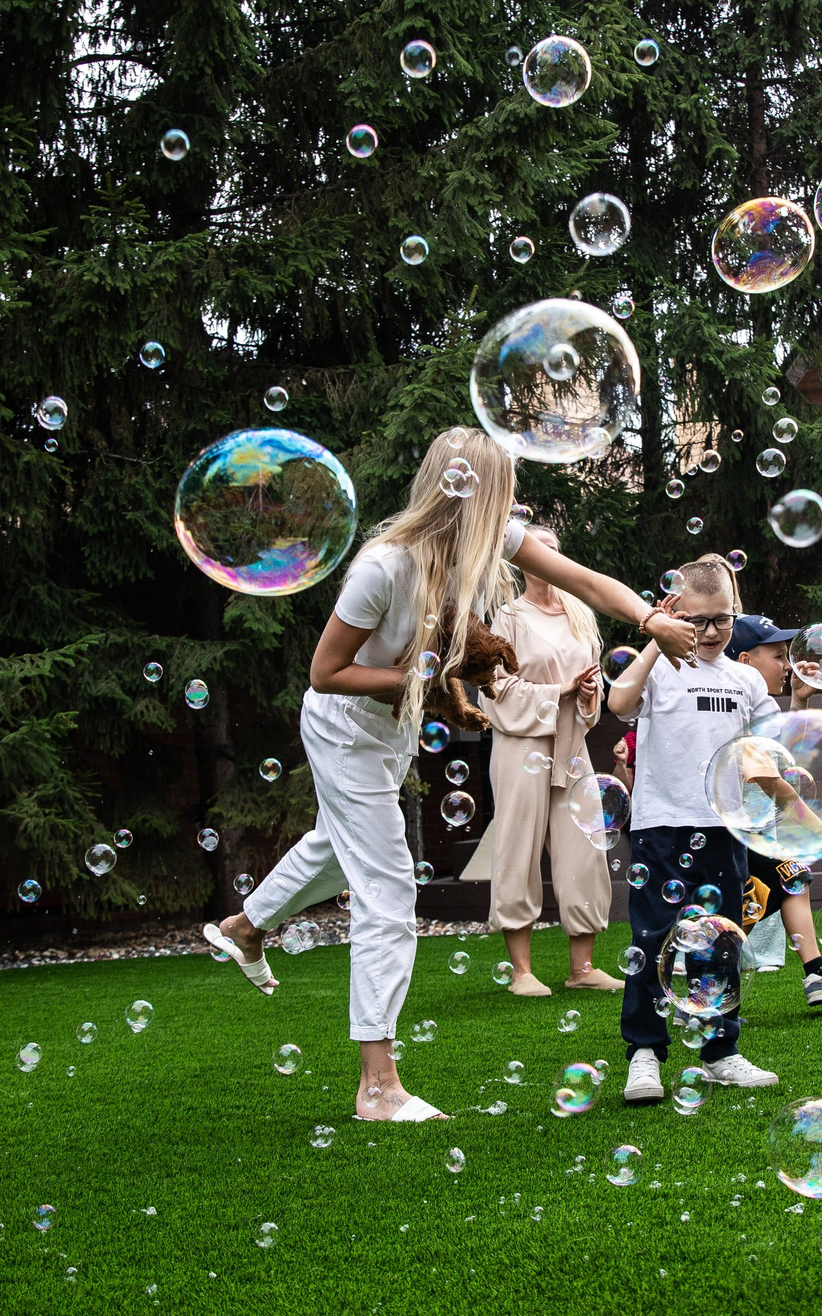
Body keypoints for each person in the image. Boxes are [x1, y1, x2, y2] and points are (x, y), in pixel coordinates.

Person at [204, 429, 697, 1123]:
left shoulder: (489, 543)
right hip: (344, 729)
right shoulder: (384, 567)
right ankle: (377, 1085)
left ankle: (246, 926)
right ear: (472, 496)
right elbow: (326, 672)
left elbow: (582, 580)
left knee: (336, 846)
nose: (515, 508)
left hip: (390, 729)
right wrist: (425, 680)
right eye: (507, 493)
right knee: (387, 893)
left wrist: (648, 617)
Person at [607, 555, 790, 1102]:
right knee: (652, 938)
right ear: (672, 613)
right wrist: (653, 640)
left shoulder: (746, 679)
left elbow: (761, 758)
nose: (710, 633)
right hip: (661, 825)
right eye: (696, 621)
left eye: (722, 619)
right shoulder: (660, 669)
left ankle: (720, 1052)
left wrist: (785, 795)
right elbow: (619, 703)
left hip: (723, 827)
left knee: (721, 941)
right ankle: (644, 1053)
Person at [481, 524, 620, 997]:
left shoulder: (581, 616)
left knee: (585, 847)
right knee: (517, 848)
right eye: (540, 548)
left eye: (556, 549)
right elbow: (494, 688)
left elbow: (595, 688)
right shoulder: (508, 617)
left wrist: (585, 696)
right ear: (523, 560)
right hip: (522, 743)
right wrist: (559, 690)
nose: (549, 556)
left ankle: (581, 968)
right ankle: (522, 971)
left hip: (571, 743)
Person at [725, 614, 822, 1008]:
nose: (787, 665)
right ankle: (708, 982)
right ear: (746, 662)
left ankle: (817, 973)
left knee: (789, 879)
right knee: (750, 900)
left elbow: (783, 758)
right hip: (732, 827)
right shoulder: (736, 707)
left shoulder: (757, 704)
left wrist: (799, 700)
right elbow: (774, 781)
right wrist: (821, 830)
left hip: (748, 827)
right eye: (778, 656)